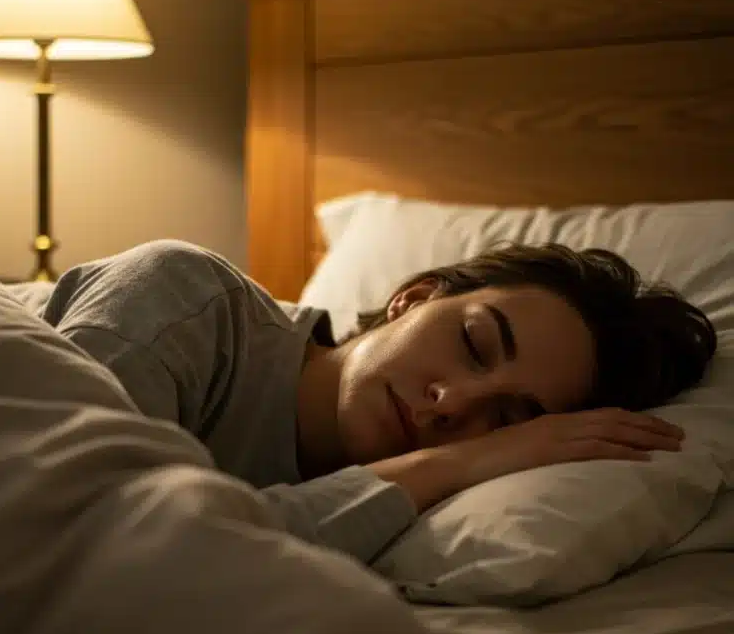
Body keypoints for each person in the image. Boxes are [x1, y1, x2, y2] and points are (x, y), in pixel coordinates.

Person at [36, 238, 717, 565]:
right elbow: (82, 542)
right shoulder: (184, 301)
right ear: (415, 297)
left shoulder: (421, 511)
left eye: (506, 419)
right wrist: (436, 467)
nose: (452, 404)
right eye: (475, 344)